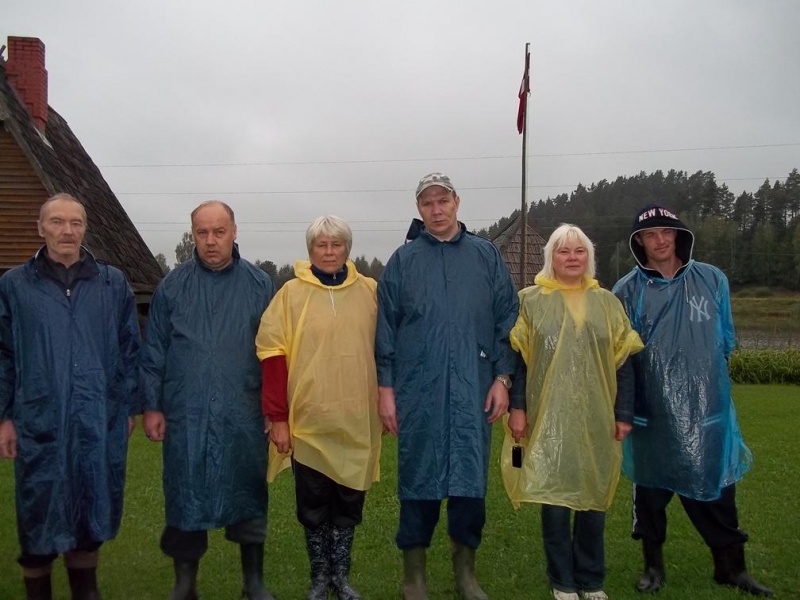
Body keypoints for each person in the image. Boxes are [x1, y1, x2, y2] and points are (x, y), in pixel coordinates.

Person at [612, 204, 773, 597]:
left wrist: (705, 385)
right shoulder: (626, 291)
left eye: (667, 232)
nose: (660, 240)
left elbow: (726, 340)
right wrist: (629, 408)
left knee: (717, 490)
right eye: (651, 234)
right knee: (650, 495)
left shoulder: (712, 279)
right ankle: (653, 567)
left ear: (679, 235)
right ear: (639, 242)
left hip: (707, 410)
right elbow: (620, 356)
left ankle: (731, 568)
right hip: (652, 413)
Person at [376, 173, 518, 600]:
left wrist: (503, 377)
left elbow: (507, 320)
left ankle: (465, 574)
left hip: (474, 388)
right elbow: (385, 330)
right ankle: (414, 576)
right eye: (427, 203)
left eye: (442, 201)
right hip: (418, 390)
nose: (436, 210)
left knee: (468, 483)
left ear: (457, 201)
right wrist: (386, 389)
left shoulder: (485, 255)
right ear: (419, 209)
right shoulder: (403, 261)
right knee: (418, 478)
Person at [0, 193, 140, 600]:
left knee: (91, 506)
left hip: (97, 415)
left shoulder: (111, 283)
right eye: (57, 222)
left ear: (85, 228)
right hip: (38, 417)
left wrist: (127, 406)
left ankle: (85, 590)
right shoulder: (15, 286)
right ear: (40, 228)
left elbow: (130, 349)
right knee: (39, 509)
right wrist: (4, 416)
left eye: (75, 223)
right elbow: (4, 354)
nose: (67, 231)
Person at [140, 200, 275, 600]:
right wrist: (152, 405)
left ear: (234, 231)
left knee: (247, 489)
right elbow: (154, 350)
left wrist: (275, 409)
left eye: (219, 232)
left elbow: (276, 352)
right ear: (193, 235)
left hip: (243, 410)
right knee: (185, 492)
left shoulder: (259, 284)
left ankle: (253, 581)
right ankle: (185, 583)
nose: (211, 241)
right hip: (187, 411)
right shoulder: (172, 286)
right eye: (202, 233)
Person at [501, 224, 643, 600]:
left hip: (597, 417)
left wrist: (623, 413)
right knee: (555, 499)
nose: (572, 258)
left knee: (594, 496)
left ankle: (591, 579)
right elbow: (520, 361)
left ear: (589, 257)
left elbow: (624, 363)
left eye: (579, 251)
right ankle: (562, 580)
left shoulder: (607, 303)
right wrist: (518, 408)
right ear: (551, 257)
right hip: (548, 417)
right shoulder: (530, 301)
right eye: (563, 251)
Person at [256, 215, 382, 600]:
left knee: (348, 501)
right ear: (310, 249)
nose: (329, 252)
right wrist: (278, 417)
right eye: (321, 245)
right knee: (313, 504)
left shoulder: (369, 291)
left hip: (356, 420)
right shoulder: (291, 295)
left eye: (336, 244)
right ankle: (319, 577)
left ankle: (340, 577)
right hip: (308, 421)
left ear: (348, 247)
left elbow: (387, 349)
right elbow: (272, 352)